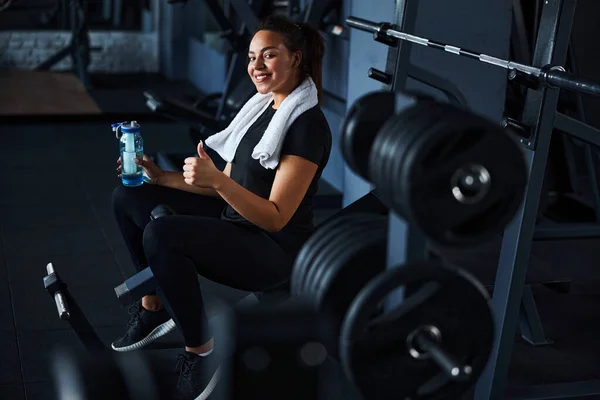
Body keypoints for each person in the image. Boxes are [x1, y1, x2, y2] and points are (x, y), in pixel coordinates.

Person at [111, 14, 332, 400]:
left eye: (269, 55)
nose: (256, 67)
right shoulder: (263, 108)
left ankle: (200, 351)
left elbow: (277, 217)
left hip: (272, 251)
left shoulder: (307, 126)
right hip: (237, 222)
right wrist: (160, 178)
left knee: (162, 233)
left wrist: (218, 180)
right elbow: (227, 183)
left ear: (296, 58)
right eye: (251, 57)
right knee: (129, 195)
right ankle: (153, 305)